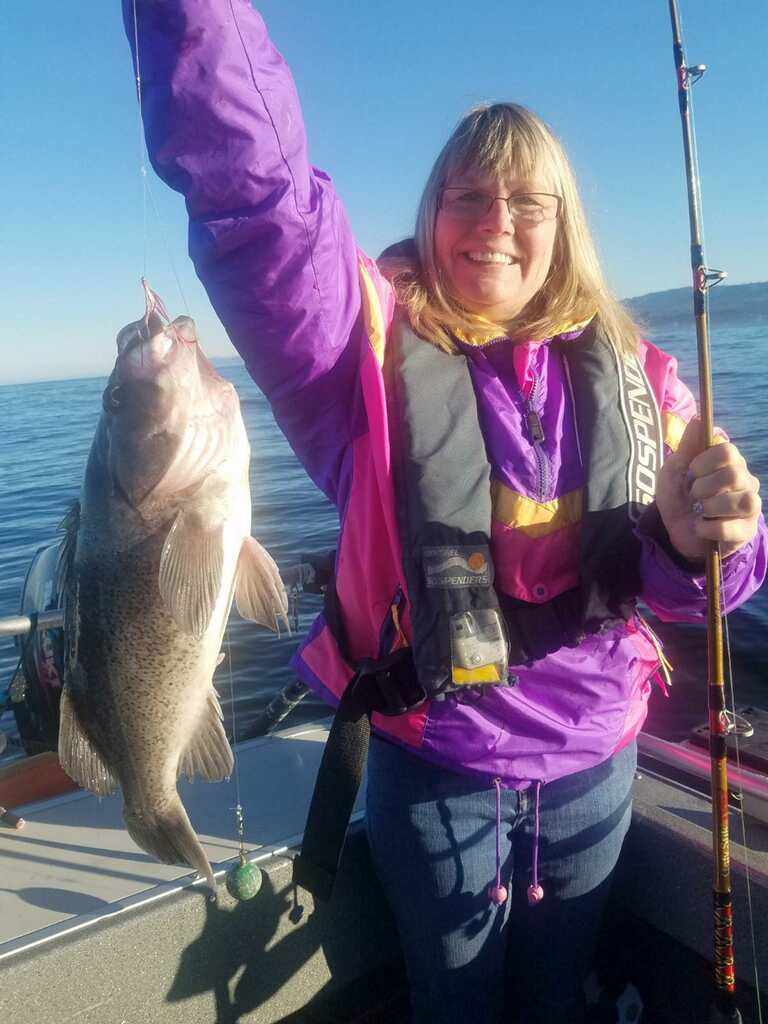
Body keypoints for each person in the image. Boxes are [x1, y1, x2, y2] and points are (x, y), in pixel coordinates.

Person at [124, 3, 766, 1021]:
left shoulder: (644, 374)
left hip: (599, 762)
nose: (497, 219)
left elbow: (710, 585)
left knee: (557, 998)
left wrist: (714, 541)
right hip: (438, 768)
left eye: (528, 200)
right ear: (431, 213)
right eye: (469, 193)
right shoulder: (356, 353)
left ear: (565, 227)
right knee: (453, 1004)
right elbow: (258, 202)